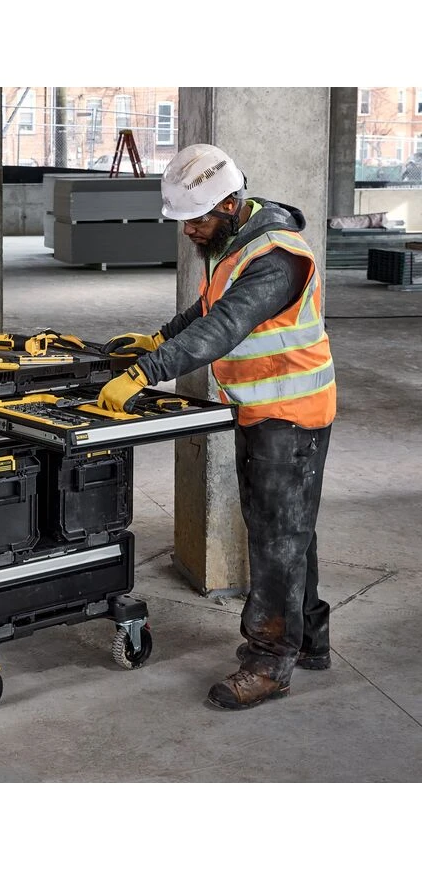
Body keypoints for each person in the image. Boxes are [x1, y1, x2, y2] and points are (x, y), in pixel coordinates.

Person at [97, 143, 336, 711]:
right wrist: (161, 337)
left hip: (290, 415)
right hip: (264, 409)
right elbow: (210, 304)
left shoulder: (277, 257)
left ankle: (268, 663)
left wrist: (146, 372)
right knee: (291, 531)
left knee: (276, 540)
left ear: (229, 204)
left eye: (196, 219)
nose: (188, 231)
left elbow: (225, 324)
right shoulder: (239, 240)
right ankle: (311, 640)